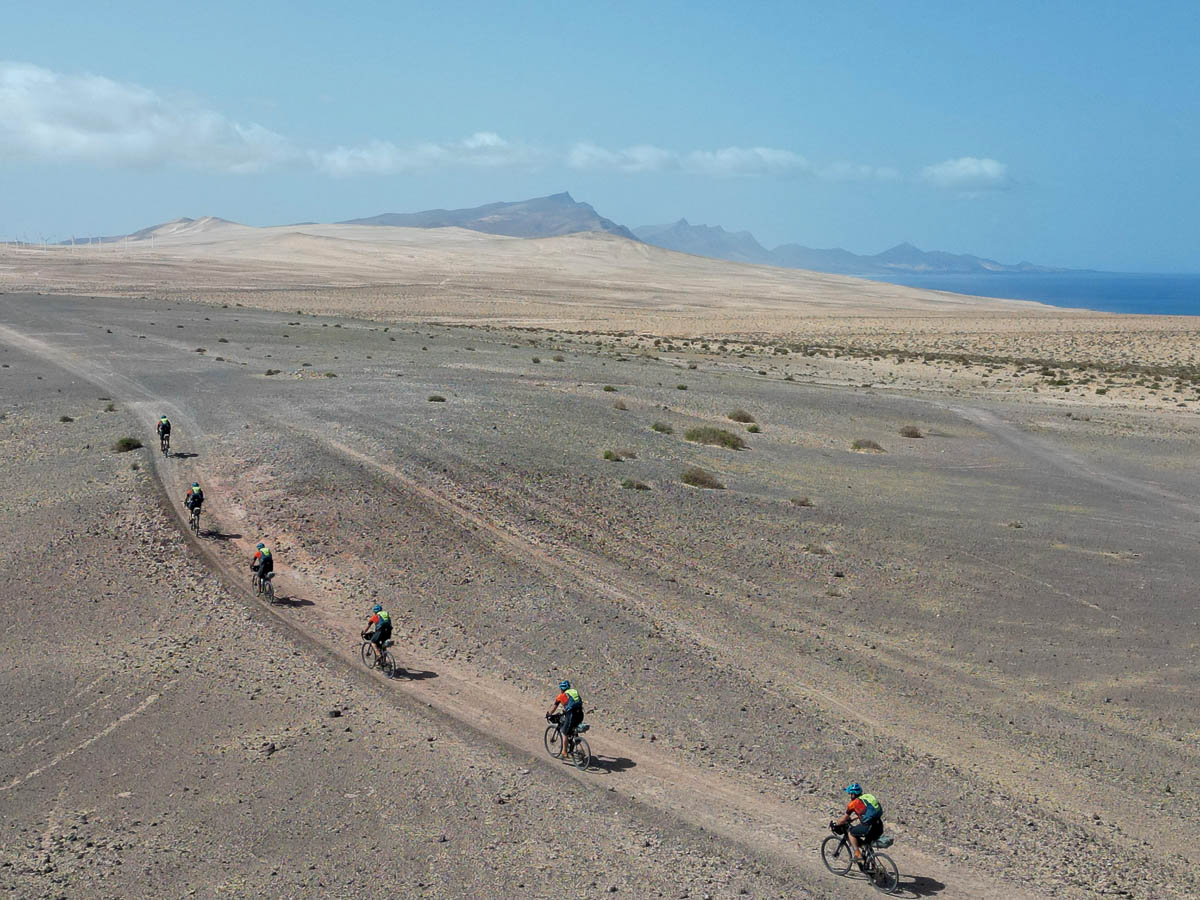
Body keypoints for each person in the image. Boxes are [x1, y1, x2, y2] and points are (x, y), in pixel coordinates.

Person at [832, 783, 883, 863]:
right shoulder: (867, 797)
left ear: (853, 794)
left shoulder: (852, 804)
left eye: (850, 794)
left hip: (869, 826)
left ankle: (857, 854)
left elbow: (844, 819)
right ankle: (873, 866)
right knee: (866, 844)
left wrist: (836, 824)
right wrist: (854, 818)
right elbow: (866, 813)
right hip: (878, 825)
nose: (850, 795)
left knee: (851, 833)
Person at [546, 680, 584, 757]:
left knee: (565, 732)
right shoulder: (573, 692)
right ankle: (581, 750)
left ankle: (564, 752)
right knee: (573, 731)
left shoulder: (560, 696)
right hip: (580, 714)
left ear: (561, 689)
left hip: (572, 714)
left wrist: (549, 714)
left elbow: (554, 708)